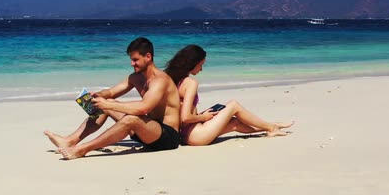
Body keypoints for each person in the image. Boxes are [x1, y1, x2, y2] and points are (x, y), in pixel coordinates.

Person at [44, 37, 181, 160]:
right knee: (107, 102)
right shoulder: (135, 77)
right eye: (131, 60)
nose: (132, 64)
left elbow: (145, 107)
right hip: (146, 132)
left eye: (135, 60)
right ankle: (70, 141)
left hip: (166, 137)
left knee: (129, 117)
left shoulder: (160, 80)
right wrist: (98, 96)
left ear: (148, 57)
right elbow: (111, 92)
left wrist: (108, 105)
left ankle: (82, 149)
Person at [164, 44, 293, 146]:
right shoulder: (190, 83)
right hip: (196, 135)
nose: (201, 69)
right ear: (192, 63)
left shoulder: (173, 80)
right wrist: (204, 117)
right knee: (233, 105)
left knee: (234, 123)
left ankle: (270, 127)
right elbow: (186, 117)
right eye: (201, 65)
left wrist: (202, 114)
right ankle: (271, 127)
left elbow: (181, 114)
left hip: (185, 134)